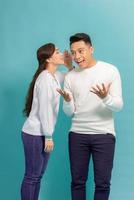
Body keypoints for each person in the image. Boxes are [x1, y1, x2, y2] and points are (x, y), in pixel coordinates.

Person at [58, 33, 123, 200]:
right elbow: (69, 112)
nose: (77, 57)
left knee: (102, 183)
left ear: (91, 49)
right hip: (77, 135)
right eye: (73, 53)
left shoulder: (110, 70)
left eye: (81, 51)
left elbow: (118, 105)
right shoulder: (70, 76)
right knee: (77, 182)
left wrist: (105, 98)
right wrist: (67, 101)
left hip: (104, 135)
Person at [21, 43, 73, 200]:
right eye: (57, 52)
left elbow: (71, 77)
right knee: (32, 176)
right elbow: (44, 109)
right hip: (35, 133)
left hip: (42, 133)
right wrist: (48, 136)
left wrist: (68, 64)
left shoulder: (54, 76)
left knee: (38, 175)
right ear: (49, 58)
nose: (61, 53)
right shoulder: (44, 78)